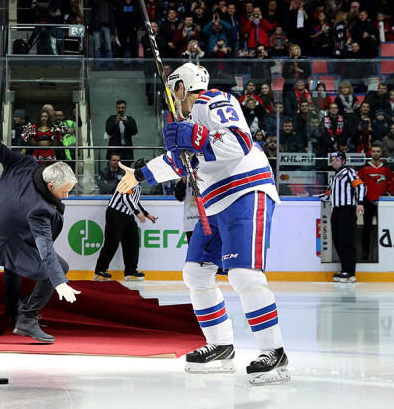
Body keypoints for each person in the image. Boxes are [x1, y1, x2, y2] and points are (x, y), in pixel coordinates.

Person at [117, 63, 289, 384]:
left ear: (182, 87)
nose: (170, 97)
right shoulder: (187, 121)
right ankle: (221, 345)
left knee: (243, 275)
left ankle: (274, 352)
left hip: (245, 191)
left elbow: (239, 143)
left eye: (172, 90)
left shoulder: (213, 102)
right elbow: (178, 163)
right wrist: (139, 174)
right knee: (195, 273)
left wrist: (197, 136)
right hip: (214, 202)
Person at [0, 120, 80, 343]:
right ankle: (27, 319)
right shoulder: (40, 209)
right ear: (51, 186)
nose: (68, 196)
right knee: (60, 267)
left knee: (12, 268)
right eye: (66, 192)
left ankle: (13, 313)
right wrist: (60, 281)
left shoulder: (24, 163)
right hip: (8, 232)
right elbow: (45, 249)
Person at [94, 159, 156, 282]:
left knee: (132, 241)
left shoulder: (137, 182)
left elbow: (135, 200)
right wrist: (138, 213)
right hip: (115, 214)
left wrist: (145, 213)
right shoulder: (128, 179)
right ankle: (100, 270)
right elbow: (126, 198)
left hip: (127, 215)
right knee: (112, 242)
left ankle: (131, 270)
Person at [320, 151, 366, 283]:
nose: (334, 161)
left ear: (343, 161)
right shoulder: (334, 178)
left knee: (347, 240)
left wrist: (360, 203)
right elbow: (328, 195)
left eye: (337, 159)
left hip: (347, 209)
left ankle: (350, 272)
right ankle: (344, 268)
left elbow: (360, 186)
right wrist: (311, 196)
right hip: (336, 211)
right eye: (332, 159)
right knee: (338, 240)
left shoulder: (348, 172)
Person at [357, 144, 393, 262]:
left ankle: (386, 254)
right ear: (370, 152)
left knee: (385, 228)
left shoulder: (386, 170)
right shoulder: (363, 169)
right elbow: (359, 186)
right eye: (373, 151)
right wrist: (361, 201)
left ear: (381, 152)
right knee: (366, 229)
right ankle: (364, 255)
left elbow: (391, 186)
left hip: (383, 203)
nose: (376, 153)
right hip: (368, 202)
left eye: (378, 151)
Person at [105, 99, 138, 166]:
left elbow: (134, 131)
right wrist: (116, 123)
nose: (121, 110)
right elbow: (109, 131)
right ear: (116, 108)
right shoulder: (111, 119)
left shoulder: (130, 120)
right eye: (119, 108)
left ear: (125, 108)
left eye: (122, 108)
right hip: (114, 151)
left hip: (126, 152)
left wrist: (126, 122)